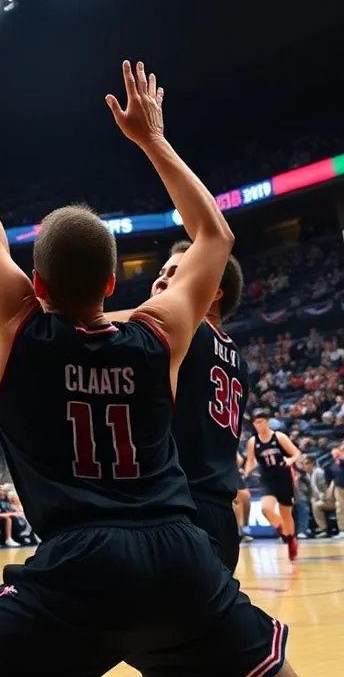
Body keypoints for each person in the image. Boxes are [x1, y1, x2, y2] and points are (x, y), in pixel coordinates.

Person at [0, 10, 293, 676]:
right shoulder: (158, 335)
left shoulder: (18, 326)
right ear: (114, 281)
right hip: (180, 553)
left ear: (36, 280)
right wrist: (153, 140)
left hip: (80, 562)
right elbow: (215, 237)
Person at [108, 240, 247, 571]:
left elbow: (87, 321)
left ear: (213, 290)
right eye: (162, 273)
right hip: (220, 514)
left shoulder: (185, 328)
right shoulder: (238, 359)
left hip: (180, 511)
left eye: (176, 274)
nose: (162, 280)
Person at [242, 410, 301, 561]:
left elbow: (296, 453)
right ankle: (284, 532)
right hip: (267, 478)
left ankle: (291, 540)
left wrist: (289, 461)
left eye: (261, 422)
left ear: (267, 422)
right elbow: (250, 461)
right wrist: (247, 472)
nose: (258, 425)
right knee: (266, 509)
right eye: (255, 423)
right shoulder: (253, 442)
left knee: (286, 513)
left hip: (284, 477)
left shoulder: (279, 437)